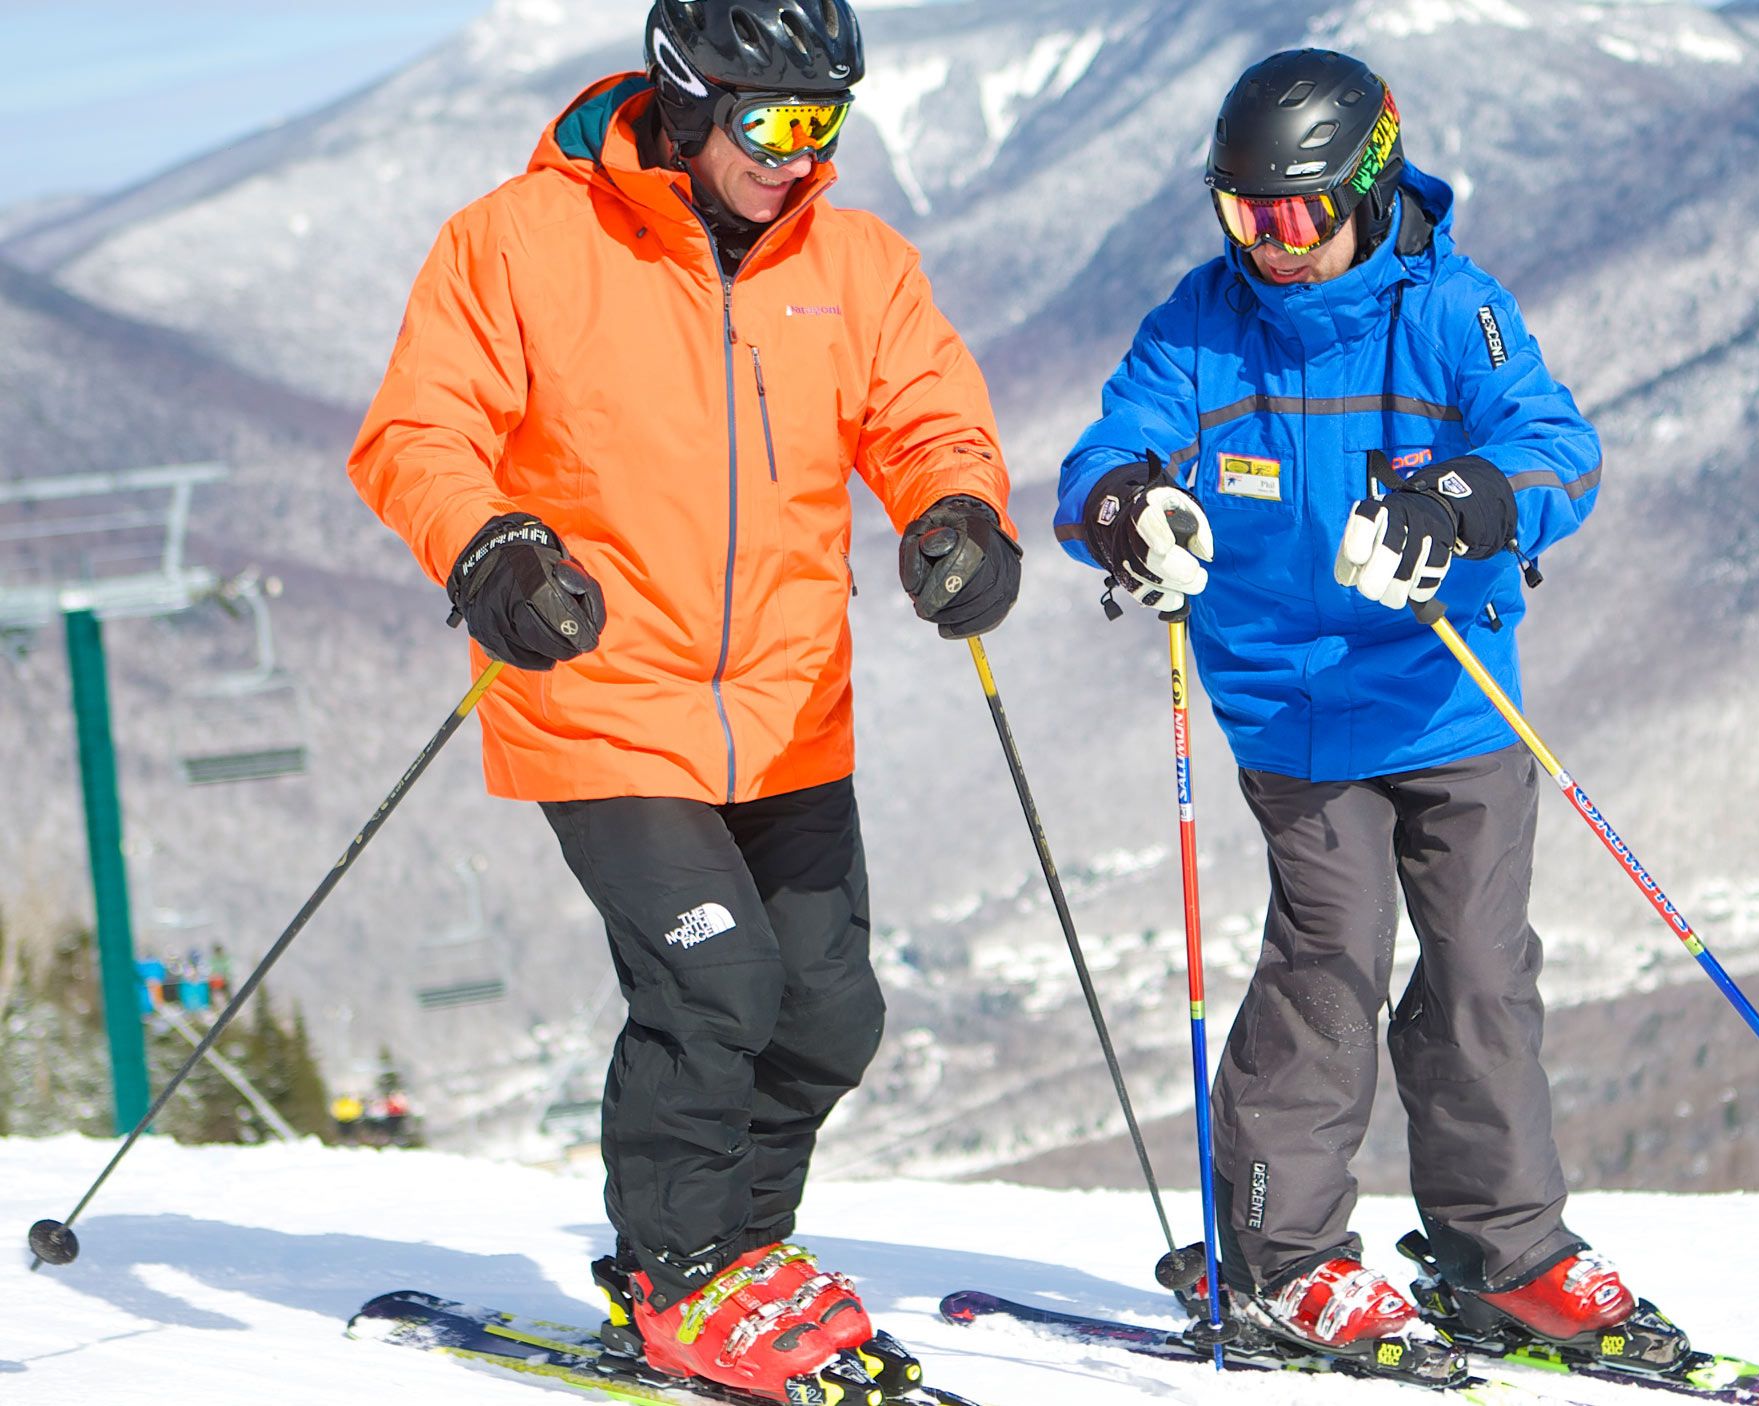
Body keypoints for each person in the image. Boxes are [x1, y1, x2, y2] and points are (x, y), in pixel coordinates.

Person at [346, 1, 1017, 1398]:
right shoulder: (518, 243)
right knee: (718, 985)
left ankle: (743, 1254)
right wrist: (492, 548)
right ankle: (680, 1272)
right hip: (600, 694)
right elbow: (421, 428)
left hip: (786, 704)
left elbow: (925, 415)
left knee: (830, 1012)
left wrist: (959, 512)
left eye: (828, 120)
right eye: (776, 120)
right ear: (689, 97)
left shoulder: (854, 259)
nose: (802, 154)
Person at [1055, 49, 1682, 1384]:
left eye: (1292, 215)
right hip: (1296, 714)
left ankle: (1500, 1252)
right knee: (1333, 961)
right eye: (1243, 215)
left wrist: (1455, 506)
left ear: (1369, 182)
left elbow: (1556, 447)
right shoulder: (1203, 324)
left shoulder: (1455, 310)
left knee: (1480, 972)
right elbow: (1107, 451)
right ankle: (1282, 1254)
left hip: (1454, 696)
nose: (1269, 246)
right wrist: (1128, 512)